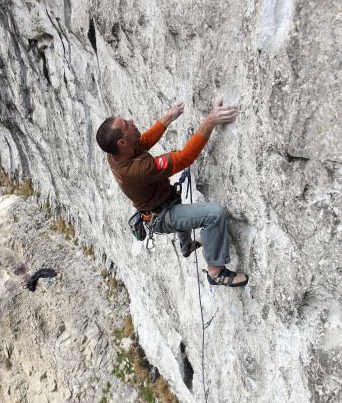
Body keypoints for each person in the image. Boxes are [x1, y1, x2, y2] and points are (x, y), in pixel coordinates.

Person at [96, 100, 248, 288]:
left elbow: (142, 142)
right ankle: (216, 272)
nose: (131, 121)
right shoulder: (138, 170)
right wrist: (210, 121)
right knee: (213, 214)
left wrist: (169, 117)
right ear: (122, 141)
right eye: (127, 124)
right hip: (162, 216)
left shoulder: (115, 153)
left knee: (176, 206)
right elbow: (184, 158)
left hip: (162, 206)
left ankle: (186, 247)